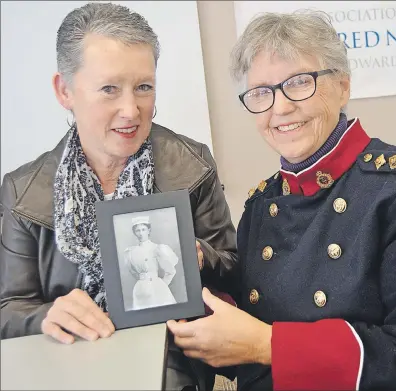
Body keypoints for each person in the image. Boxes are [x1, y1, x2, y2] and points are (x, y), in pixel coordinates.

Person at [0, 3, 238, 391]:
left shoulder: (192, 166)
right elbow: (8, 308)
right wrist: (44, 316)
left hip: (170, 366)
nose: (132, 110)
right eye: (110, 88)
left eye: (144, 87)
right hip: (68, 366)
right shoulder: (23, 191)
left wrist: (199, 257)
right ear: (65, 90)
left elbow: (235, 268)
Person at [167, 10, 396, 391]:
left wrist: (267, 345)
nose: (280, 108)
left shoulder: (394, 190)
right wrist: (195, 274)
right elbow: (243, 326)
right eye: (261, 92)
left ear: (343, 86)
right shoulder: (261, 205)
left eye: (298, 83)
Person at [124, 216, 178, 310]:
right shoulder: (131, 252)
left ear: (148, 230)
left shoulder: (156, 248)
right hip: (140, 289)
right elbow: (132, 271)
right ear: (134, 233)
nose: (141, 233)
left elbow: (171, 271)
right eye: (138, 230)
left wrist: (162, 286)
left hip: (156, 287)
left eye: (143, 229)